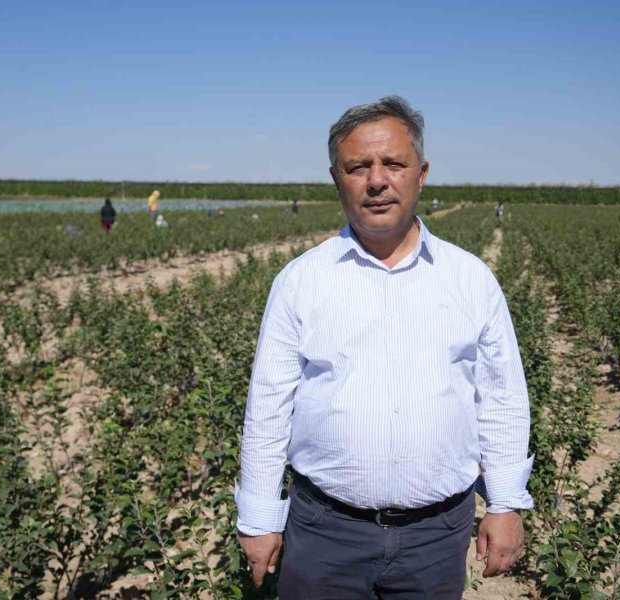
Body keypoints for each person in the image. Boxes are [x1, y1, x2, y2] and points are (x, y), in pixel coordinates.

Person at [236, 96, 533, 598]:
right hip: (324, 532)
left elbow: (501, 399)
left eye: (394, 163)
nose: (377, 180)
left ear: (421, 174)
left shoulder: (471, 279)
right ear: (337, 179)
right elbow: (268, 406)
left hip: (436, 536)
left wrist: (505, 504)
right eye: (358, 167)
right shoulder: (300, 281)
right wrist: (260, 518)